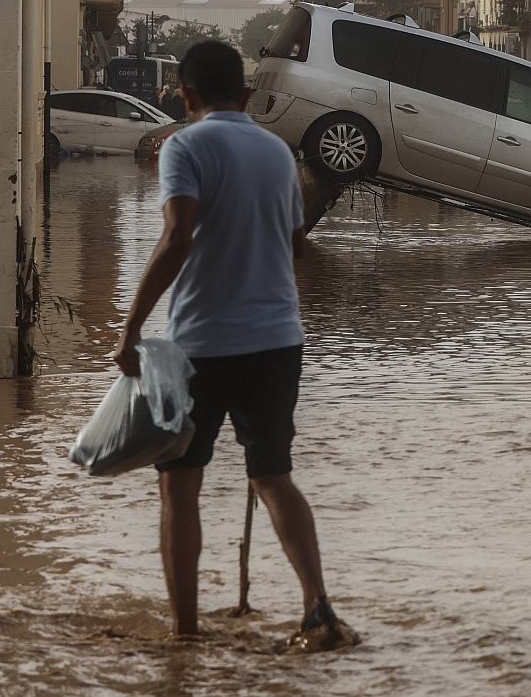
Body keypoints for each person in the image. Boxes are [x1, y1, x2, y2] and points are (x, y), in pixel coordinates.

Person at [111, 40, 354, 652]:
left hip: (201, 345)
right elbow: (297, 245)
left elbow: (176, 236)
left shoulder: (184, 146)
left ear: (185, 96)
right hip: (278, 340)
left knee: (179, 485)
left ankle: (186, 636)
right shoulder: (277, 151)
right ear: (246, 95)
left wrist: (132, 327)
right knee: (274, 476)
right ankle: (319, 609)